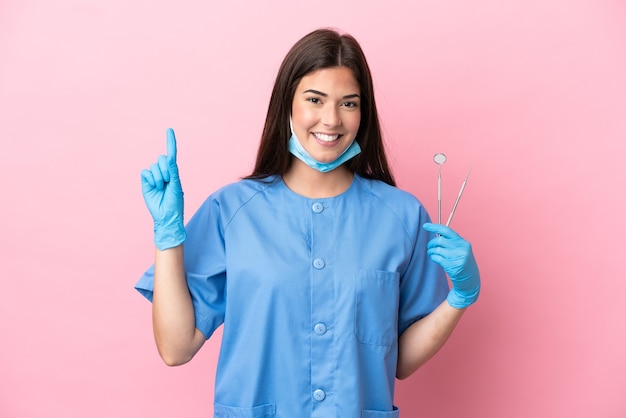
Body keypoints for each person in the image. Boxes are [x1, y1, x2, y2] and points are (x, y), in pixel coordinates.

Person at [136, 28, 480, 418]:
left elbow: (400, 361)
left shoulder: (400, 216)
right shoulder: (231, 210)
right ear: (288, 104)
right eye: (315, 100)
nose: (331, 120)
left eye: (349, 103)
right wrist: (168, 237)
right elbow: (176, 348)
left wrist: (460, 297)